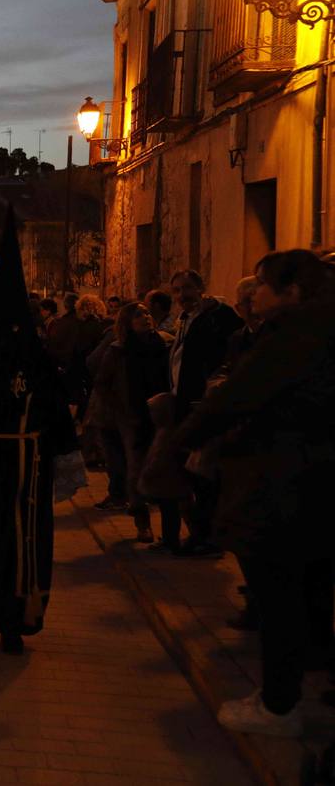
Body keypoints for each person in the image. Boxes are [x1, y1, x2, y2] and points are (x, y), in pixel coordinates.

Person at [151, 249, 335, 737]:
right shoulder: (313, 330)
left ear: (292, 292)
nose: (255, 294)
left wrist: (179, 443)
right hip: (309, 479)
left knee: (281, 594)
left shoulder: (297, 337)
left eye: (263, 283)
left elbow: (237, 398)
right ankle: (310, 682)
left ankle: (279, 703)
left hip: (288, 480)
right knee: (308, 590)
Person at [0, 209, 85, 654]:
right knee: (18, 538)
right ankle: (3, 617)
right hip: (25, 462)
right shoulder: (31, 356)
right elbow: (56, 414)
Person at [166, 269, 242, 557]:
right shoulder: (185, 319)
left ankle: (210, 538)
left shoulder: (217, 316)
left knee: (205, 474)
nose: (181, 295)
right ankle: (201, 534)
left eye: (186, 288)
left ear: (201, 288)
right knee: (191, 472)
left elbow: (226, 356)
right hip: (186, 406)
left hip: (206, 406)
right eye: (176, 290)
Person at [89, 303, 170, 541]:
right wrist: (118, 408)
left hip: (156, 412)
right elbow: (102, 383)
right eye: (138, 315)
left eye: (146, 313)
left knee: (156, 467)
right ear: (127, 322)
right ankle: (141, 520)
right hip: (129, 416)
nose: (145, 317)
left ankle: (167, 526)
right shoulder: (119, 350)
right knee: (133, 468)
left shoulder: (162, 344)